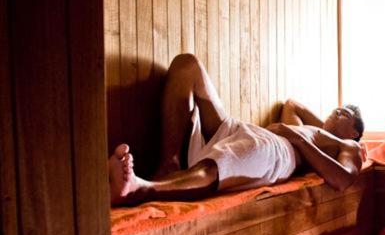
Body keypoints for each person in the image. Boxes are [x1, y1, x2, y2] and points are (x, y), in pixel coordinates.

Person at [109, 53, 365, 205]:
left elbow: (342, 180)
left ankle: (139, 189)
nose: (337, 111)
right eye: (337, 108)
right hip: (246, 129)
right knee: (187, 65)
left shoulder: (348, 146)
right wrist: (315, 128)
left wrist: (298, 139)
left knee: (218, 165)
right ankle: (169, 165)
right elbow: (292, 105)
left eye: (345, 114)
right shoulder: (311, 130)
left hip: (277, 150)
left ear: (354, 132)